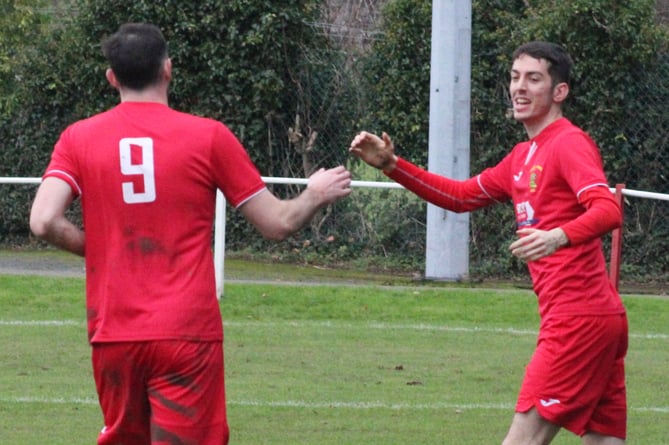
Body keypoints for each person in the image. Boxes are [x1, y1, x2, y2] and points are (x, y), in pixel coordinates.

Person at [29, 23, 351, 445]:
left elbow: (43, 221)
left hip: (114, 332)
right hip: (186, 333)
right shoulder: (208, 136)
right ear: (169, 69)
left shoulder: (78, 138)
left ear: (112, 77)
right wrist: (314, 194)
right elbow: (277, 223)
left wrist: (100, 250)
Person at [349, 41, 627, 445]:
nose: (520, 87)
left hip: (577, 322)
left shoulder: (568, 143)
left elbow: (608, 210)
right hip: (596, 320)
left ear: (559, 92)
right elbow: (461, 197)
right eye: (515, 78)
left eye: (534, 79)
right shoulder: (522, 156)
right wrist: (394, 166)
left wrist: (557, 236)